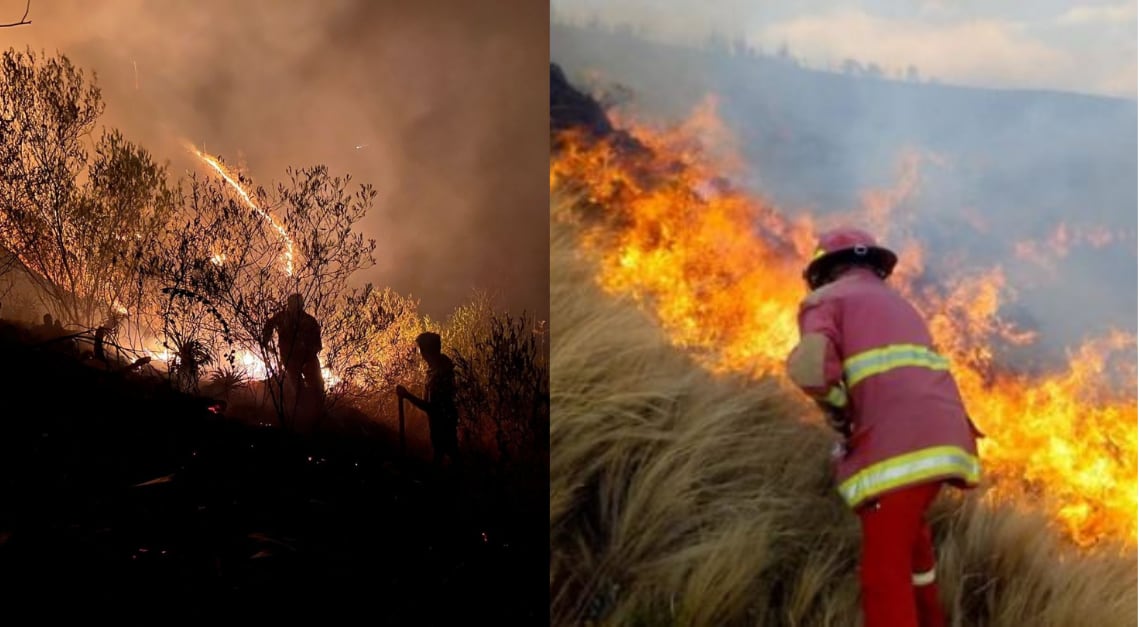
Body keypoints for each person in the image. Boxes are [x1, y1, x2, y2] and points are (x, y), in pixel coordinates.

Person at [785, 227, 983, 627]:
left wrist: (839, 412)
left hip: (896, 446)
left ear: (824, 271)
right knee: (914, 553)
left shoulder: (824, 300)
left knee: (883, 576)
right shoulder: (900, 304)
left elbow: (810, 369)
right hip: (948, 437)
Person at [396, 332, 459, 467]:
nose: (420, 353)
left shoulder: (440, 374)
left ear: (426, 350)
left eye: (420, 349)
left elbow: (432, 407)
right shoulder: (437, 369)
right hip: (442, 423)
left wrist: (407, 395)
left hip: (443, 424)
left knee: (447, 455)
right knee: (447, 455)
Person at [261, 293, 325, 401]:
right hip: (290, 359)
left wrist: (309, 355)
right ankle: (303, 410)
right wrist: (266, 344)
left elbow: (317, 344)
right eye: (293, 303)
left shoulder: (309, 321)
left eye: (297, 303)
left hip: (308, 359)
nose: (295, 306)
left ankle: (316, 409)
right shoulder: (283, 317)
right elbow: (268, 326)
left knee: (317, 387)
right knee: (299, 388)